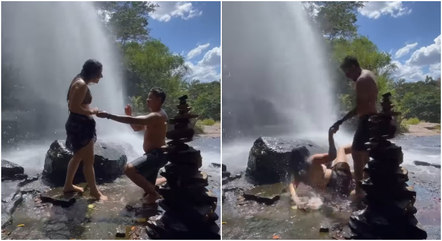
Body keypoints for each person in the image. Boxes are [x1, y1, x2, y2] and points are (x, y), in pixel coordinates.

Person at [97, 88, 168, 204]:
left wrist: (108, 115)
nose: (147, 100)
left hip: (157, 155)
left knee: (129, 169)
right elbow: (136, 127)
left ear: (159, 100)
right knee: (146, 190)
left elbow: (136, 120)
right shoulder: (154, 116)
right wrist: (129, 115)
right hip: (154, 154)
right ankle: (159, 184)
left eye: (150, 97)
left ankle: (155, 194)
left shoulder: (158, 115)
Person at [331, 56, 378, 201]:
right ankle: (369, 187)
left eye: (347, 72)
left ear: (353, 67)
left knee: (357, 155)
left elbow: (360, 107)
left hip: (366, 121)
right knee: (366, 155)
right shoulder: (369, 75)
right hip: (374, 120)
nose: (347, 76)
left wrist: (341, 120)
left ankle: (358, 193)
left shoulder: (361, 80)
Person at [64, 59, 107, 201]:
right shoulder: (81, 84)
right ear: (93, 73)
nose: (101, 76)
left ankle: (68, 185)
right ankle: (95, 192)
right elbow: (73, 107)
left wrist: (89, 111)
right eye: (99, 73)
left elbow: (76, 105)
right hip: (80, 127)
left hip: (78, 124)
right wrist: (92, 111)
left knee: (77, 156)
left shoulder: (78, 80)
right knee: (89, 161)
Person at [288, 126, 353, 209]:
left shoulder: (299, 177)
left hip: (334, 190)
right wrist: (330, 136)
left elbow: (292, 188)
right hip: (342, 177)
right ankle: (366, 147)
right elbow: (333, 156)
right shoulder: (313, 160)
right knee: (341, 149)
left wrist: (297, 201)